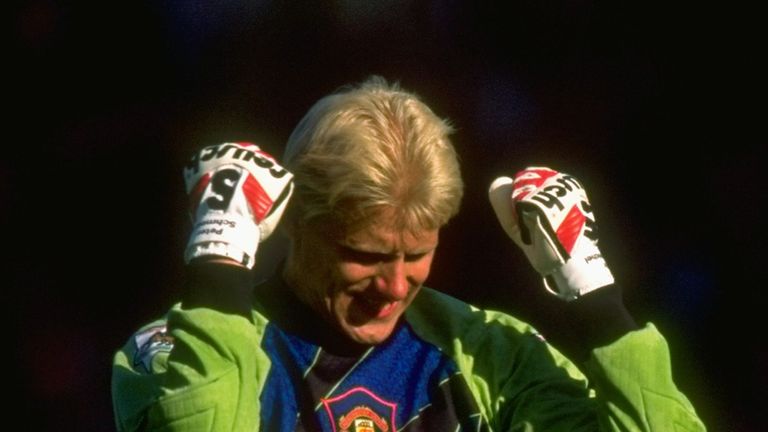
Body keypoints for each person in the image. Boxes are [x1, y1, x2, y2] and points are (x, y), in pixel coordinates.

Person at [112, 76, 706, 431]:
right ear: (290, 221)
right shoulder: (168, 352)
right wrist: (218, 262)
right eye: (365, 255)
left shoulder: (486, 353)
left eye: (417, 254)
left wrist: (596, 296)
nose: (395, 286)